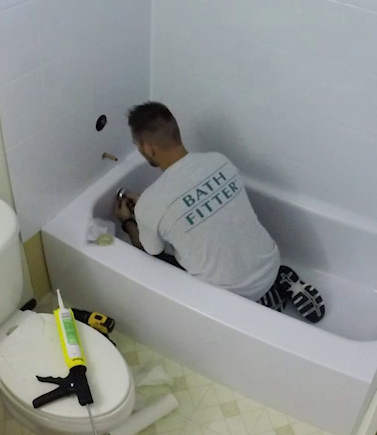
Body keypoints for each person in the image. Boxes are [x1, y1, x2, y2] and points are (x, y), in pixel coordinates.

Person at [114, 102, 325, 322]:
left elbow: (148, 249)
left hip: (235, 294)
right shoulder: (218, 160)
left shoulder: (150, 203)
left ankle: (261, 305)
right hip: (270, 262)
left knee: (155, 258)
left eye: (137, 146)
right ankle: (274, 287)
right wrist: (147, 210)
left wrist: (128, 221)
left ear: (148, 148)